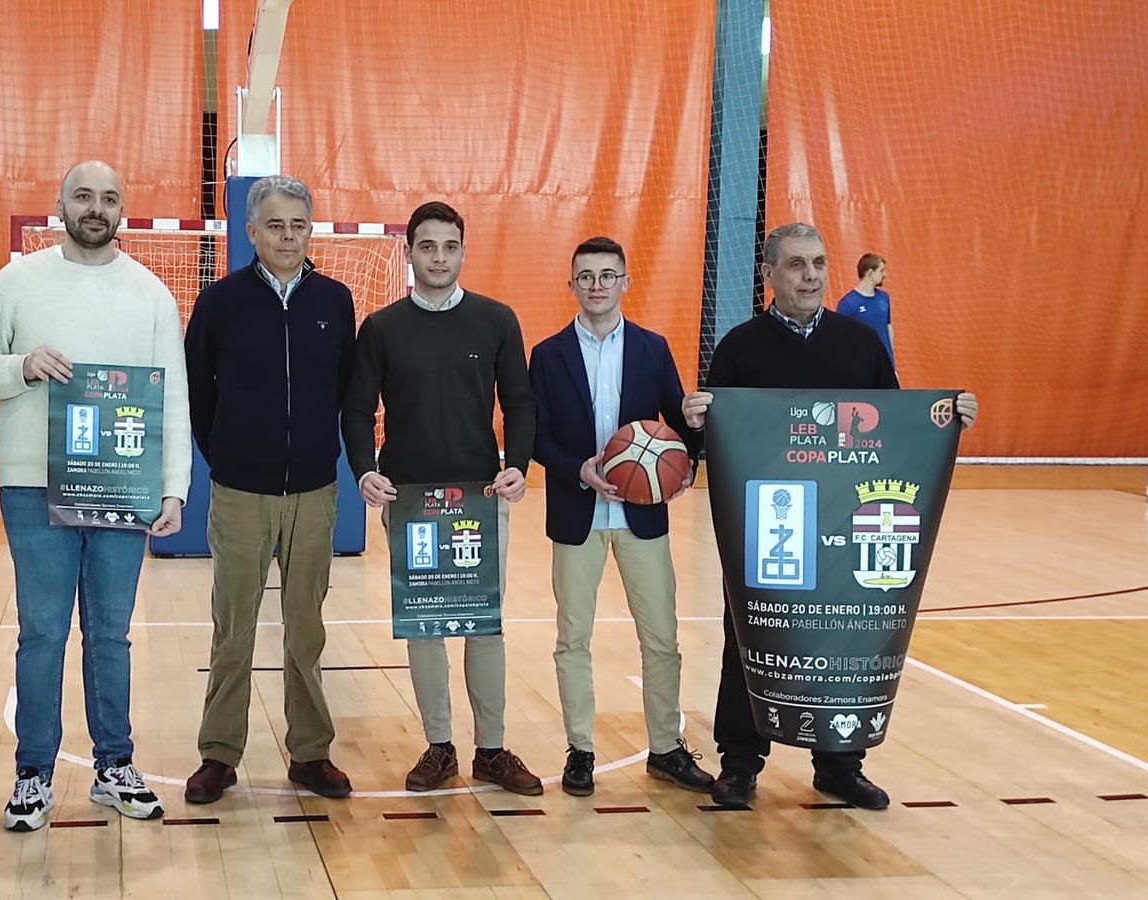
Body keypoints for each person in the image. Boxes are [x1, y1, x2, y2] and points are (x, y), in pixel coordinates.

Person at [682, 223, 977, 810]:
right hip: (771, 529)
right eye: (795, 264)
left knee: (848, 634)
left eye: (817, 262)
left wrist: (949, 415)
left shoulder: (860, 343)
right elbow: (716, 443)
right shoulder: (739, 348)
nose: (810, 275)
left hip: (845, 525)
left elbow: (895, 424)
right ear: (769, 275)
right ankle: (739, 765)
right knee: (749, 636)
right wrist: (697, 419)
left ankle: (840, 764)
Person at [0, 161, 191, 828]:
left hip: (121, 484)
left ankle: (114, 765)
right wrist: (21, 366)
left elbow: (171, 398)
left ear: (122, 210)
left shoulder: (150, 296)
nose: (96, 207)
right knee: (41, 634)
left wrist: (173, 486)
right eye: (83, 196)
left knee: (110, 636)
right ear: (60, 204)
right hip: (33, 488)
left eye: (109, 198)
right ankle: (33, 773)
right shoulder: (17, 282)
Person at [343, 201, 542, 795]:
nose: (438, 257)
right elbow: (356, 409)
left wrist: (519, 466)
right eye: (427, 246)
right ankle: (439, 746)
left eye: (449, 246)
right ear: (409, 252)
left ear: (462, 251)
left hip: (482, 496)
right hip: (409, 501)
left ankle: (492, 748)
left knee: (485, 625)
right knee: (425, 623)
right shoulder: (381, 327)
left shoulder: (496, 320)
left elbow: (522, 402)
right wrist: (363, 472)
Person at [182, 175, 356, 803]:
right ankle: (219, 755)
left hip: (314, 493)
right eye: (275, 225)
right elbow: (199, 392)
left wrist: (310, 450)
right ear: (250, 232)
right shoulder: (219, 302)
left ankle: (310, 753)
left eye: (298, 225)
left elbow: (342, 391)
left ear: (311, 230)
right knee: (234, 630)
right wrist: (229, 455)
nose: (287, 236)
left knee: (306, 629)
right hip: (239, 495)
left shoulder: (336, 301)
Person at [527, 236, 715, 797]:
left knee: (662, 638)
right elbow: (536, 438)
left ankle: (666, 749)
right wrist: (576, 468)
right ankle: (579, 750)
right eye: (585, 277)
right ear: (572, 286)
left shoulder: (654, 350)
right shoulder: (547, 353)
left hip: (642, 518)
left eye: (607, 276)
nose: (596, 286)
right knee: (572, 639)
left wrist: (684, 462)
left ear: (625, 283)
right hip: (578, 513)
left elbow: (680, 434)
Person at [835, 252, 894, 365]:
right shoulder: (848, 304)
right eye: (881, 271)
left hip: (885, 366)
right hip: (863, 367)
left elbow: (888, 328)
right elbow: (842, 342)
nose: (885, 274)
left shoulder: (884, 298)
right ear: (870, 273)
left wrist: (891, 363)